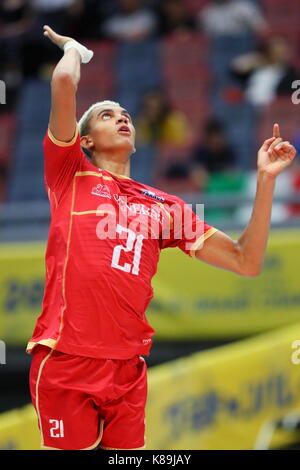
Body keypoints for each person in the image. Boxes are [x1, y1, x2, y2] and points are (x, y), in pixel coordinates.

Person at [27, 25, 296, 450]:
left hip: (128, 368)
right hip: (67, 359)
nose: (122, 118)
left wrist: (266, 181)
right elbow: (63, 80)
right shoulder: (70, 173)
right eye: (107, 115)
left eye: (126, 115)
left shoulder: (164, 206)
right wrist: (73, 50)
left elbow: (247, 261)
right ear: (85, 141)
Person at [231, 36, 299, 106]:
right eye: (274, 51)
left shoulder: (291, 74)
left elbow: (288, 96)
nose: (278, 54)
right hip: (248, 106)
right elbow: (236, 68)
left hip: (273, 109)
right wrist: (256, 59)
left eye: (282, 52)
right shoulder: (257, 68)